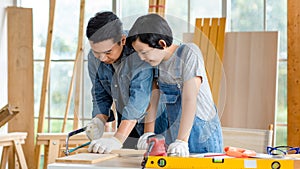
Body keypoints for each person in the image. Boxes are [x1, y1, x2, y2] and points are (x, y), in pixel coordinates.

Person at [127, 13, 223, 156]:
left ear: (161, 44)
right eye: (138, 53)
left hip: (202, 135)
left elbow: (190, 99)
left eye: (144, 52)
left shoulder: (189, 53)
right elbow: (153, 98)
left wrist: (182, 141)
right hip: (176, 134)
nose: (142, 58)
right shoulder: (155, 62)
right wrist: (149, 133)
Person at [85, 11, 156, 153]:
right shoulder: (94, 58)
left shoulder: (139, 51)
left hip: (153, 125)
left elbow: (140, 98)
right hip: (126, 126)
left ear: (123, 40)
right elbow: (100, 93)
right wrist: (99, 120)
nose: (102, 58)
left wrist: (116, 139)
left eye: (108, 52)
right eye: (96, 52)